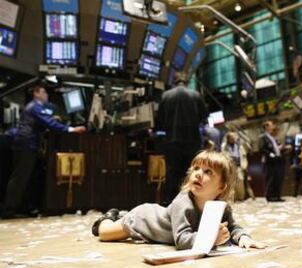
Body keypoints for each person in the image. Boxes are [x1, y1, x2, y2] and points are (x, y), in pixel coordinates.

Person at [91, 150, 266, 250]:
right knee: (104, 233)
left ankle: (120, 214)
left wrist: (243, 237)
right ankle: (109, 216)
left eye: (208, 172)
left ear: (221, 188)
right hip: (143, 220)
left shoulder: (222, 208)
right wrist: (211, 238)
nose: (198, 173)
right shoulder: (183, 203)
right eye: (196, 168)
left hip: (160, 219)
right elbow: (182, 240)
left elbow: (233, 227)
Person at [1, 85, 85, 218]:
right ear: (36, 93)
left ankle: (21, 208)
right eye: (44, 92)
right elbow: (49, 122)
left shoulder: (33, 106)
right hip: (26, 145)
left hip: (25, 144)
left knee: (24, 178)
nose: (46, 95)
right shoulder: (35, 106)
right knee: (19, 178)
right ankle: (8, 210)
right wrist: (71, 130)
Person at [157, 72, 207, 205]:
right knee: (192, 174)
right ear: (186, 81)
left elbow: (159, 121)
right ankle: (193, 204)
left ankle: (171, 206)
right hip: (193, 142)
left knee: (172, 175)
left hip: (172, 142)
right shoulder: (195, 95)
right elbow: (204, 117)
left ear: (174, 82)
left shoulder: (166, 96)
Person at [221, 131, 254, 201]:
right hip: (230, 166)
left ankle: (241, 197)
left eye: (234, 137)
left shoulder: (239, 146)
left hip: (239, 166)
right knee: (231, 183)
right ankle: (233, 198)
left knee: (240, 181)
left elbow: (244, 156)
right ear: (228, 138)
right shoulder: (224, 146)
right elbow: (224, 155)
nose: (233, 139)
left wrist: (245, 166)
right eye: (232, 137)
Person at [259, 120, 286, 202]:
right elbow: (262, 149)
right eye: (271, 125)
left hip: (277, 160)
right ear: (266, 127)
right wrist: (271, 154)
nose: (273, 126)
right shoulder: (263, 138)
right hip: (269, 161)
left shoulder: (273, 138)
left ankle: (277, 196)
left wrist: (280, 148)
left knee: (277, 179)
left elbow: (275, 148)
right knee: (270, 179)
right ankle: (270, 197)